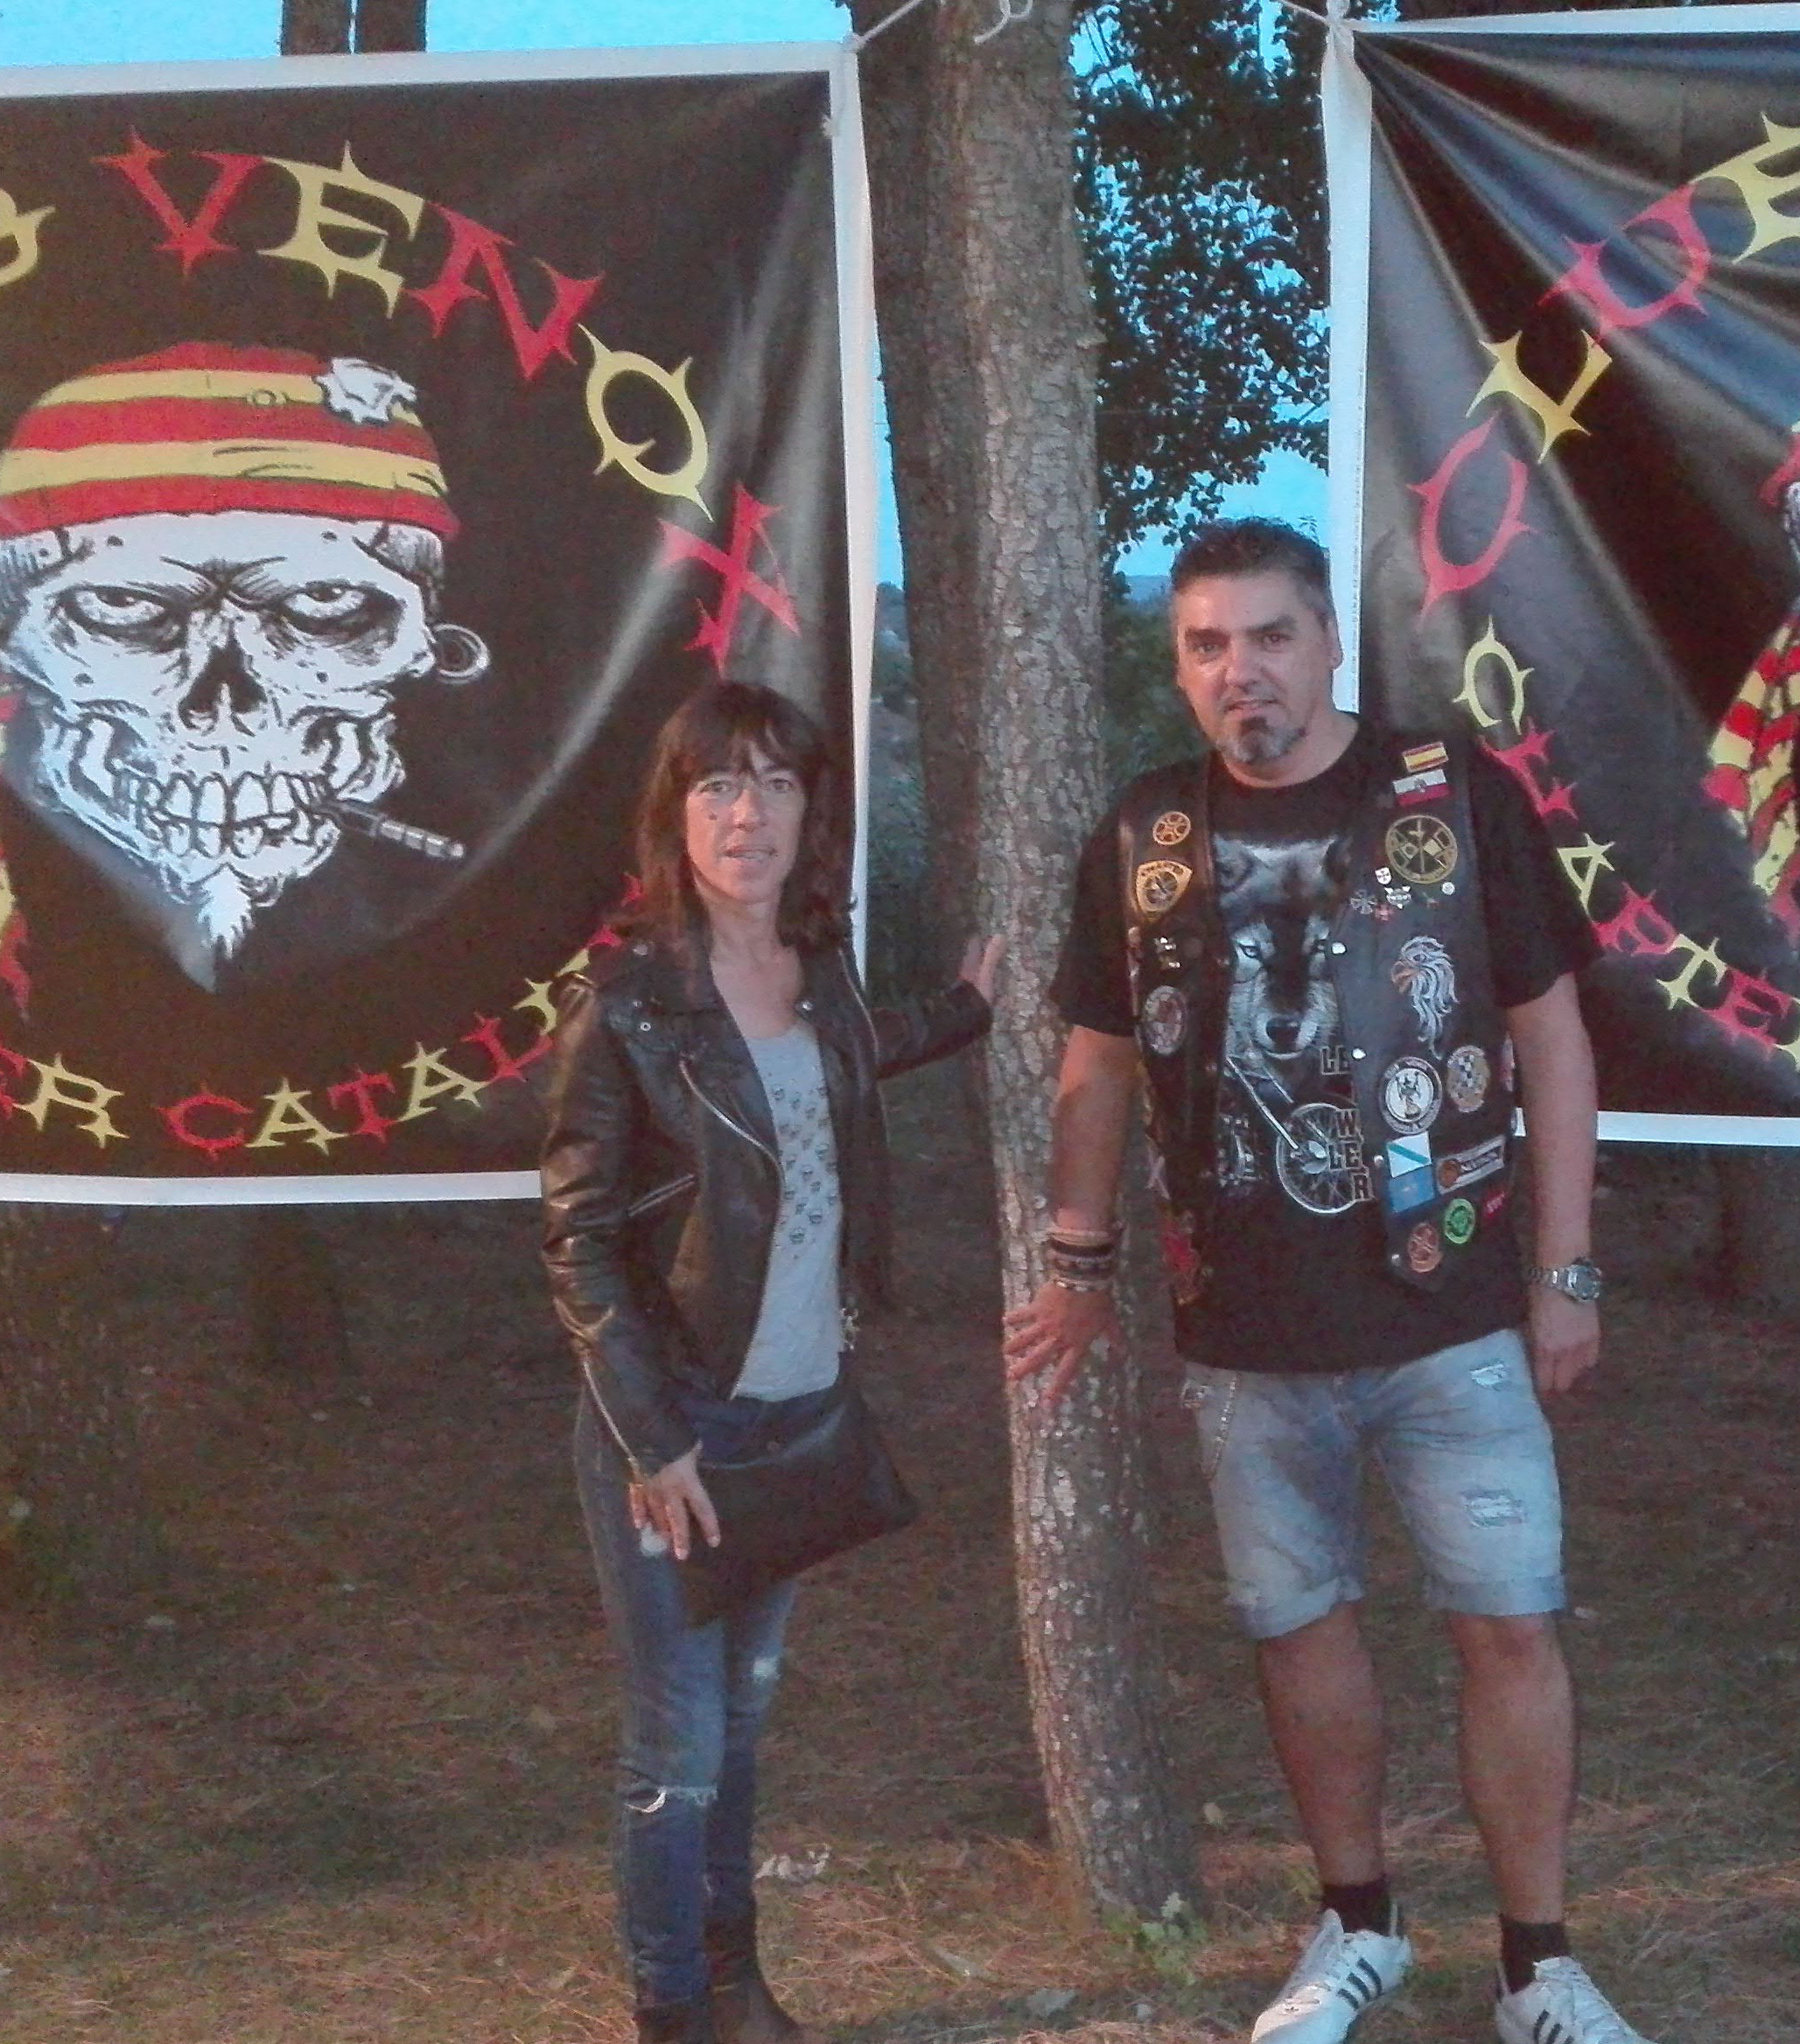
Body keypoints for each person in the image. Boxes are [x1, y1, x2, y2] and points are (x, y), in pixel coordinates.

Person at [1005, 520, 1649, 2044]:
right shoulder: (1146, 832)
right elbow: (1096, 1065)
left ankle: (1539, 1967)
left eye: (1271, 636)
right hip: (1246, 1329)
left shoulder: (1454, 794)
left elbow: (1552, 1038)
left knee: (1510, 1625)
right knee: (1299, 1632)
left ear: (1330, 644)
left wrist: (1566, 1269)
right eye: (1208, 645)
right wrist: (1078, 1261)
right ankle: (1357, 1925)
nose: (1243, 670)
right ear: (1181, 669)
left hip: (1452, 1313)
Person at [541, 681, 995, 2044]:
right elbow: (576, 1241)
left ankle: (734, 1983)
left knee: (741, 1723)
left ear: (811, 814)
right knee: (676, 1747)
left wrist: (965, 1008)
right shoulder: (629, 1005)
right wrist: (651, 1440)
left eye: (778, 784)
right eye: (719, 785)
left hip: (797, 1417)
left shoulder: (819, 973)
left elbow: (849, 1057)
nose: (750, 814)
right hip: (675, 1430)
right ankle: (672, 2011)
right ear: (676, 816)